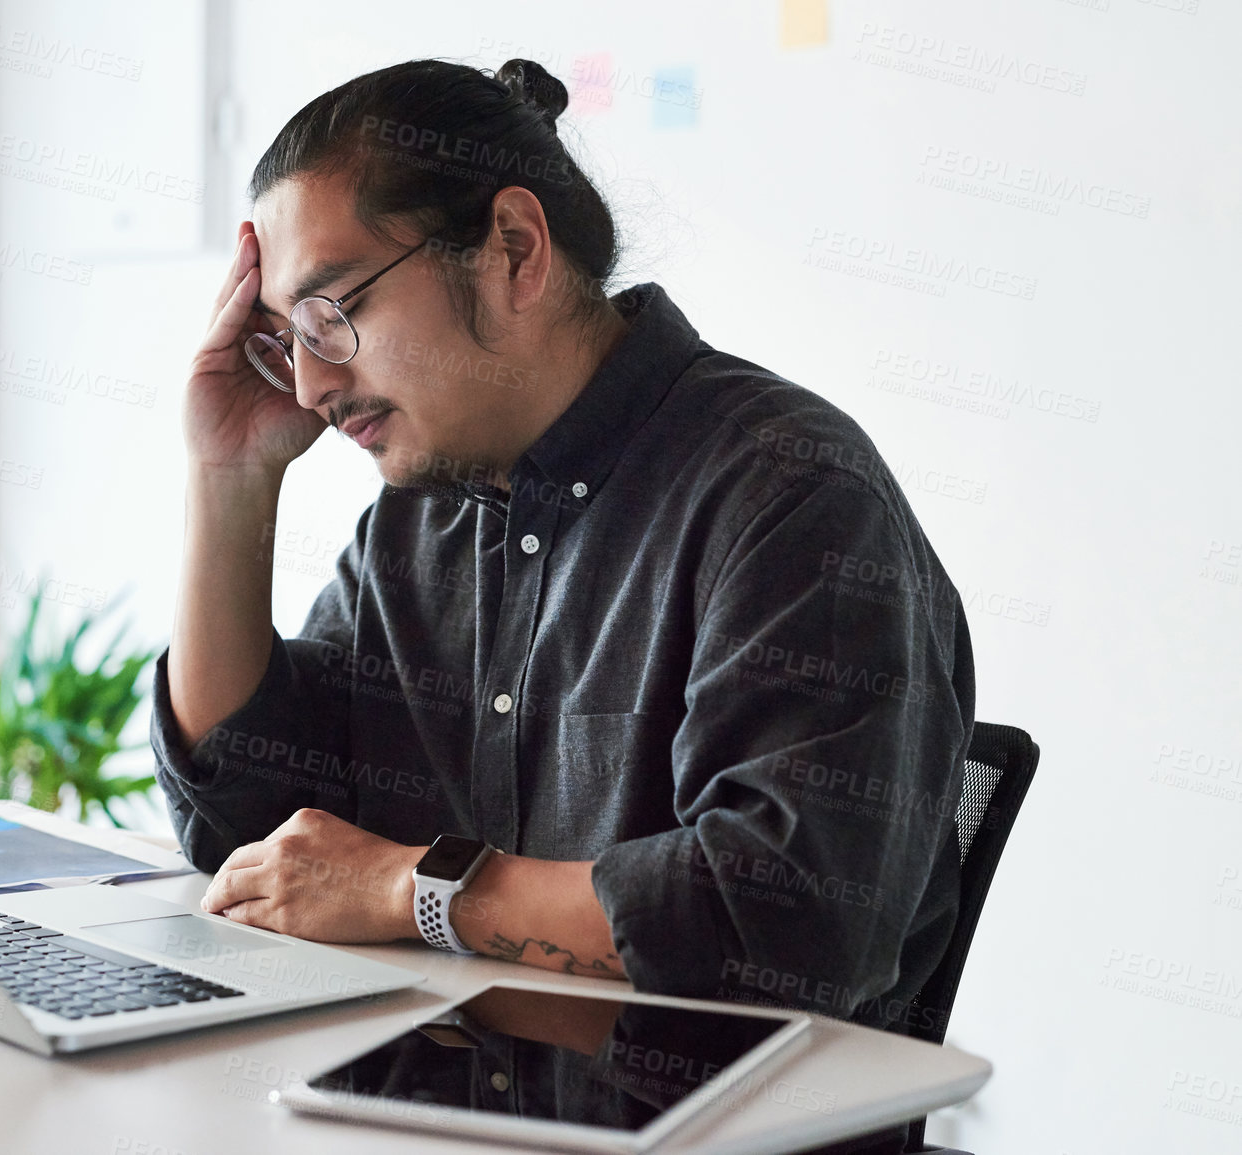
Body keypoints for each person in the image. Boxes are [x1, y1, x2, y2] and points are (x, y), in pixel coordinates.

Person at [149, 54, 973, 1121]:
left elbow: (793, 922)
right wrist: (230, 479)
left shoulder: (790, 494)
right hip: (431, 1125)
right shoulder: (424, 516)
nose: (310, 385)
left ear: (513, 250)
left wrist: (414, 888)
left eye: (332, 313)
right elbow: (255, 836)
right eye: (287, 339)